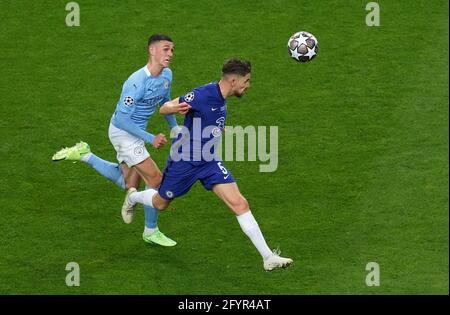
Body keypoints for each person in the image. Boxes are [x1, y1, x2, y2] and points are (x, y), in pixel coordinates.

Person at [123, 58, 293, 271]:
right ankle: (132, 197)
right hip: (184, 161)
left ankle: (268, 257)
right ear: (233, 80)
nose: (248, 85)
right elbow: (164, 108)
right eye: (246, 81)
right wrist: (175, 107)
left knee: (240, 203)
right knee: (160, 203)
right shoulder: (203, 94)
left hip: (209, 161)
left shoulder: (222, 98)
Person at [52, 34, 181, 247]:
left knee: (127, 182)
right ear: (152, 50)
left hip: (135, 131)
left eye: (172, 50)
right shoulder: (135, 82)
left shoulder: (167, 75)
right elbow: (122, 119)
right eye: (166, 49)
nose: (170, 54)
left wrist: (174, 126)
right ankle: (150, 230)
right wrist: (150, 138)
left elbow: (165, 102)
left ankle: (85, 154)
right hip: (123, 133)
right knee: (156, 181)